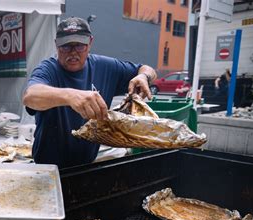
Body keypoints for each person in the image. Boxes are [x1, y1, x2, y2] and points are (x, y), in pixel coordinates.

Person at [22, 17, 156, 168]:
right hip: (47, 168)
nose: (72, 52)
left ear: (90, 43)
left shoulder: (105, 67)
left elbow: (146, 69)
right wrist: (70, 95)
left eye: (79, 45)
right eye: (65, 46)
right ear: (56, 45)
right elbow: (30, 96)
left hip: (86, 165)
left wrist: (143, 76)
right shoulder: (48, 69)